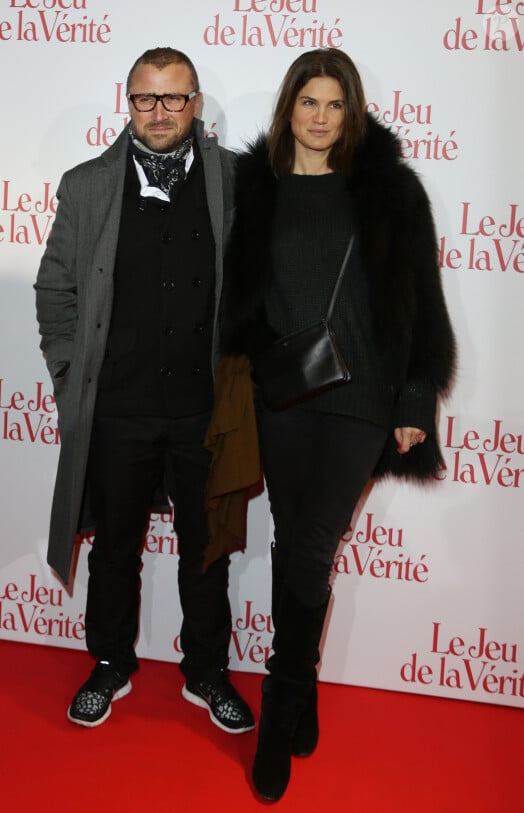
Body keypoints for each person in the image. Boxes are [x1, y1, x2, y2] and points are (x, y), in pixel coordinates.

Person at [223, 48, 456, 800]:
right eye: (308, 103)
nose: (320, 118)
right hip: (282, 395)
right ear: (288, 108)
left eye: (334, 105)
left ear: (350, 112)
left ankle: (279, 699)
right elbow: (230, 295)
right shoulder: (251, 191)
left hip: (362, 398)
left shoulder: (388, 193)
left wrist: (417, 401)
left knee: (314, 541)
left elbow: (421, 300)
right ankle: (307, 686)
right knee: (295, 542)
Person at [34, 47, 254, 735]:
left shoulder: (233, 178)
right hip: (119, 406)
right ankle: (108, 663)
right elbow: (55, 289)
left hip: (203, 407)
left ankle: (207, 671)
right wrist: (71, 379)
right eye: (145, 99)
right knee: (114, 547)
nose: (159, 113)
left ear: (196, 104)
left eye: (174, 99)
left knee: (206, 547)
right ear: (127, 102)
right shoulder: (87, 184)